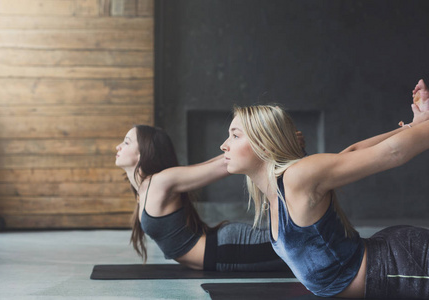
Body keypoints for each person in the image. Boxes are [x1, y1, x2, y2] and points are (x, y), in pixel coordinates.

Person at [220, 79, 429, 298]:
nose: (224, 145)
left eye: (235, 135)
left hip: (403, 267)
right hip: (392, 270)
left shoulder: (296, 177)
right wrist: (416, 125)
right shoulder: (277, 190)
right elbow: (351, 153)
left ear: (263, 142)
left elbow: (393, 152)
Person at [115, 125, 303, 271]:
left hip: (228, 249)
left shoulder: (160, 182)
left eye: (126, 142)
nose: (118, 146)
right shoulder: (143, 190)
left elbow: (222, 165)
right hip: (220, 252)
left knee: (301, 250)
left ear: (143, 152)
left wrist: (276, 143)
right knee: (299, 248)